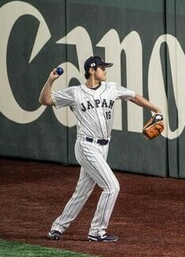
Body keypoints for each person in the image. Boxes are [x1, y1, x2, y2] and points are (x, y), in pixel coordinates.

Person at [40, 56, 163, 243]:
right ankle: (97, 231)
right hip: (86, 146)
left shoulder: (111, 88)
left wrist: (155, 108)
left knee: (82, 191)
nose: (105, 71)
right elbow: (45, 100)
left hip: (103, 147)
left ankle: (57, 228)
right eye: (102, 68)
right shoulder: (75, 93)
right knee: (112, 187)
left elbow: (134, 97)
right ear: (91, 70)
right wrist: (50, 80)